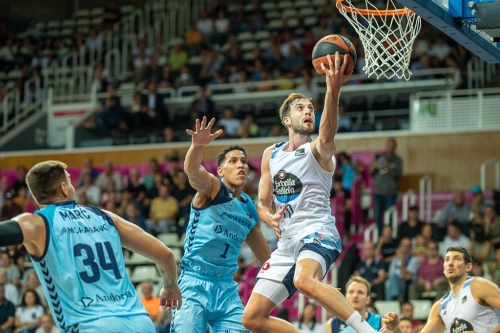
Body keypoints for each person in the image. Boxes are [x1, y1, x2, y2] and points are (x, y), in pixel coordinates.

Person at [243, 53, 381, 333]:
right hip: (286, 243)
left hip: (318, 231)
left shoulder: (317, 149)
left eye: (311, 108)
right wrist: (267, 216)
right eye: (300, 108)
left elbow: (328, 134)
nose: (308, 112)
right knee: (252, 318)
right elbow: (261, 201)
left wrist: (333, 89)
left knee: (303, 281)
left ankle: (368, 331)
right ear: (286, 119)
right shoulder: (271, 153)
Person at [0, 160, 181, 332]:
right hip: (139, 322)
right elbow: (164, 254)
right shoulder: (105, 216)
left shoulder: (38, 223)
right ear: (63, 188)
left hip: (89, 324)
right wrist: (170, 286)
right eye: (70, 182)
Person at [170, 117, 270, 332]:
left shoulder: (249, 208)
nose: (241, 165)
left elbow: (267, 261)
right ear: (221, 171)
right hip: (193, 283)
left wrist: (308, 283)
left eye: (243, 161)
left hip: (226, 289)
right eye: (233, 161)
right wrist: (197, 146)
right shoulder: (213, 188)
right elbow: (193, 171)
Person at [382, 246, 500, 333]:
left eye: (457, 259)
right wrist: (396, 329)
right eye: (447, 259)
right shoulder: (440, 306)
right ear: (443, 269)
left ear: (468, 267)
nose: (450, 263)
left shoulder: (478, 285)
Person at [369, 137, 403, 233]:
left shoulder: (398, 160)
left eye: (392, 146)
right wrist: (374, 166)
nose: (390, 147)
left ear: (395, 147)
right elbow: (370, 173)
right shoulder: (379, 157)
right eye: (389, 145)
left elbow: (399, 175)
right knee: (377, 216)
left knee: (390, 217)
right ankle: (379, 237)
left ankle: (389, 236)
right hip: (378, 192)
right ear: (386, 145)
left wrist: (389, 167)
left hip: (390, 192)